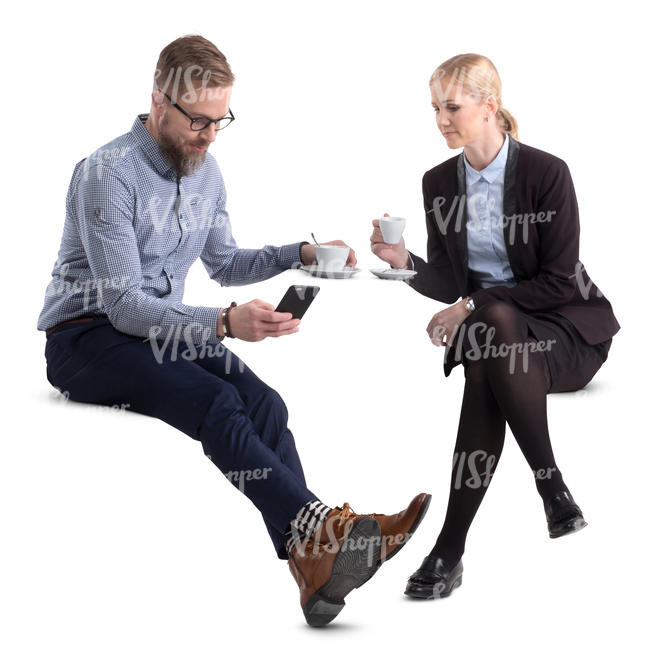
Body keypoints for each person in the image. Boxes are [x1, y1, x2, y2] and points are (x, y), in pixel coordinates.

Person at [36, 34, 432, 626]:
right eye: (199, 120)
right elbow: (122, 306)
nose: (210, 135)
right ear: (158, 101)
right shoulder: (106, 174)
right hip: (85, 334)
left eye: (222, 121)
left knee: (267, 404)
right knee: (219, 400)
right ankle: (330, 530)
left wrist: (299, 251)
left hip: (155, 331)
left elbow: (223, 264)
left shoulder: (206, 171)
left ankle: (314, 567)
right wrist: (222, 323)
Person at [369, 53, 620, 600]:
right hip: (499, 339)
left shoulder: (546, 173)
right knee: (491, 341)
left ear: (491, 106)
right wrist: (402, 261)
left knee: (491, 328)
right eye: (434, 108)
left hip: (566, 334)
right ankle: (549, 493)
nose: (441, 120)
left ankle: (449, 548)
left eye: (452, 107)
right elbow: (450, 279)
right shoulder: (438, 182)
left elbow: (559, 281)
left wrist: (470, 307)